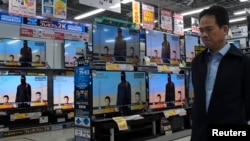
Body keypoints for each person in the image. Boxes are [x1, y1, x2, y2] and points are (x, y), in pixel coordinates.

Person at [191, 6, 250, 141]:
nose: (204, 34)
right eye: (201, 30)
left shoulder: (242, 62)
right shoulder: (197, 62)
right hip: (200, 134)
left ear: (224, 29)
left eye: (209, 29)